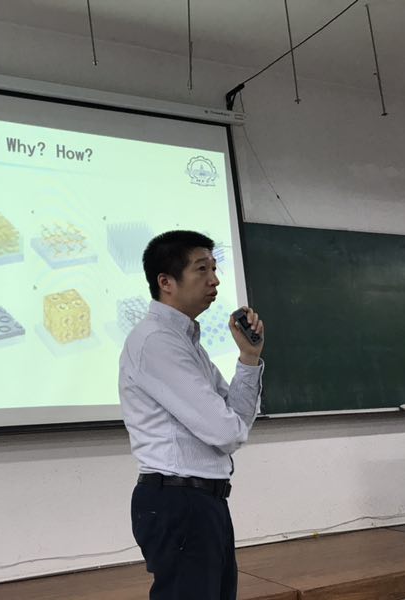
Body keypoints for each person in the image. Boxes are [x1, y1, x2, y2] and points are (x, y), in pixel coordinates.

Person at [119, 230, 265, 600]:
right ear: (165, 282)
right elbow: (228, 432)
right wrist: (233, 425)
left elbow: (236, 419)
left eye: (215, 268)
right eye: (202, 269)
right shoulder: (157, 341)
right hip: (179, 502)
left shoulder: (186, 342)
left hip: (202, 502)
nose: (214, 280)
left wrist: (249, 358)